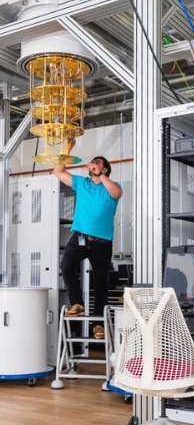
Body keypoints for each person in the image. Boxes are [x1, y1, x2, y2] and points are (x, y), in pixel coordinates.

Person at [53, 139, 123, 339]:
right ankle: (77, 304)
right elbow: (58, 172)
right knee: (66, 265)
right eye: (93, 162)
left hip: (102, 242)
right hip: (81, 237)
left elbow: (117, 193)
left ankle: (98, 325)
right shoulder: (82, 183)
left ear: (106, 169)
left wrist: (101, 174)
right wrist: (67, 150)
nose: (94, 164)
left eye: (99, 163)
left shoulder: (112, 186)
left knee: (100, 282)